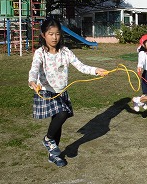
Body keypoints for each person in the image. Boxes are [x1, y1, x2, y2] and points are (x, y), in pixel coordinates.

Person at [28, 18, 107, 167]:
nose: (54, 37)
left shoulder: (65, 52)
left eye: (57, 34)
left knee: (57, 123)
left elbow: (81, 66)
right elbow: (34, 68)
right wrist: (32, 81)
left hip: (61, 92)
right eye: (50, 34)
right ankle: (48, 139)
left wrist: (96, 70)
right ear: (43, 34)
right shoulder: (40, 53)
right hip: (46, 92)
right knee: (62, 114)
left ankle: (54, 154)